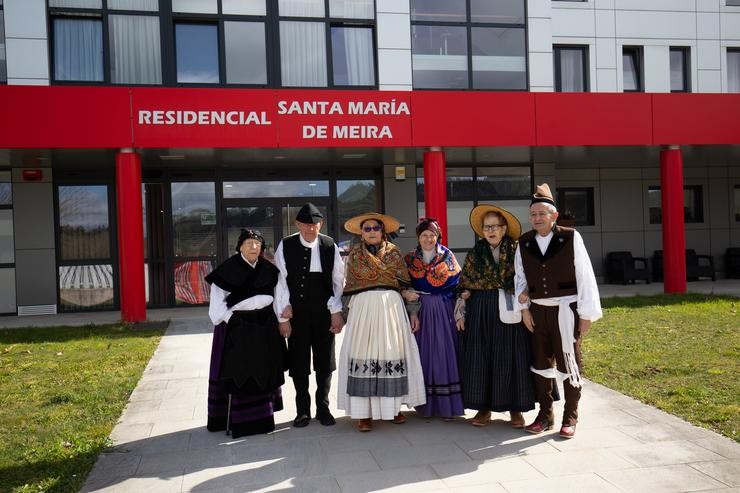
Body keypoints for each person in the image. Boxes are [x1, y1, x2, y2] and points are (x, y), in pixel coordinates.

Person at [515, 184, 602, 439]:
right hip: (538, 312)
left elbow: (585, 275)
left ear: (554, 215)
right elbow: (520, 278)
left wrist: (586, 313)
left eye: (542, 213)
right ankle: (545, 414)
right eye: (533, 213)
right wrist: (524, 309)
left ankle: (570, 415)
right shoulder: (524, 242)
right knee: (540, 364)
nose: (537, 218)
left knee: (570, 363)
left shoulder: (570, 237)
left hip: (566, 311)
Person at [337, 212, 426, 432]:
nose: (371, 232)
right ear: (361, 233)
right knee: (364, 356)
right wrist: (342, 317)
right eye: (366, 229)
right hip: (362, 311)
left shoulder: (395, 253)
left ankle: (393, 409)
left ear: (382, 231)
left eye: (375, 228)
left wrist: (413, 312)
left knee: (391, 355)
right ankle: (363, 413)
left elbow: (406, 284)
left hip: (391, 311)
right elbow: (348, 288)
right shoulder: (354, 255)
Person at [455, 204, 535, 428]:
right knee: (482, 358)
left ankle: (515, 409)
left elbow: (526, 277)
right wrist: (462, 307)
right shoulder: (475, 253)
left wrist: (526, 297)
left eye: (495, 226)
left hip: (510, 308)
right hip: (481, 310)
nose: (490, 231)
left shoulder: (517, 250)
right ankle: (484, 408)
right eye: (486, 227)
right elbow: (463, 284)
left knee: (512, 357)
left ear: (503, 228)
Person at [205, 229, 286, 438]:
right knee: (240, 372)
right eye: (249, 243)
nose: (253, 247)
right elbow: (216, 306)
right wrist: (233, 322)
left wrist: (281, 319)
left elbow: (278, 298)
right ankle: (239, 422)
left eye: (257, 243)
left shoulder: (269, 269)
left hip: (265, 325)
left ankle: (264, 419)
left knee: (264, 369)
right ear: (240, 246)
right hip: (237, 327)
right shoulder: (227, 270)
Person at [274, 203, 345, 428]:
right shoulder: (285, 245)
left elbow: (338, 281)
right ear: (297, 224)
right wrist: (283, 317)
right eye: (305, 224)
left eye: (314, 224)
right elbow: (280, 282)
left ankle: (323, 408)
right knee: (299, 362)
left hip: (324, 312)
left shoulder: (329, 245)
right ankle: (302, 410)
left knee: (325, 362)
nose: (310, 229)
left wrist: (336, 312)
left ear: (320, 224)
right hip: (297, 313)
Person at [404, 218, 465, 420]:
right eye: (424, 235)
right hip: (420, 311)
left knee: (444, 353)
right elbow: (403, 284)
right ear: (418, 237)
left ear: (437, 236)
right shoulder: (410, 259)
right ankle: (425, 406)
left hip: (443, 309)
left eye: (432, 235)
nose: (428, 239)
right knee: (423, 355)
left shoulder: (447, 256)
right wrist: (411, 308)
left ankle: (448, 405)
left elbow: (458, 285)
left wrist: (459, 313)